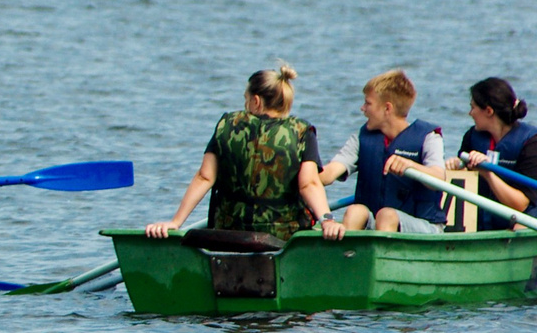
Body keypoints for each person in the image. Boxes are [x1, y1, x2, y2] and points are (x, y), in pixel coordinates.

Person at [144, 65, 343, 242]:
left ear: (256, 101)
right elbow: (309, 184)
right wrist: (328, 221)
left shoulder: (227, 124)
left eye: (245, 99)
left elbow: (205, 177)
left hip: (229, 232)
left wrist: (176, 222)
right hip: (284, 236)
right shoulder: (301, 131)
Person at [315, 70, 446, 234]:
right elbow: (328, 174)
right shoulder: (362, 138)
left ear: (387, 108)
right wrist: (302, 170)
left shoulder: (429, 137)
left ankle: (383, 249)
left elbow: (439, 177)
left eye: (368, 103)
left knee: (387, 216)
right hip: (378, 223)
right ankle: (349, 250)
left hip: (424, 227)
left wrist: (411, 166)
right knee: (355, 211)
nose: (362, 109)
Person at [452, 77, 537, 219]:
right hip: (482, 216)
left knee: (521, 224)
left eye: (473, 108)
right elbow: (464, 180)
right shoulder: (471, 136)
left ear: (489, 111)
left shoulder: (531, 143)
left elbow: (520, 205)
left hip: (521, 216)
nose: (470, 113)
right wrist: (456, 168)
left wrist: (488, 174)